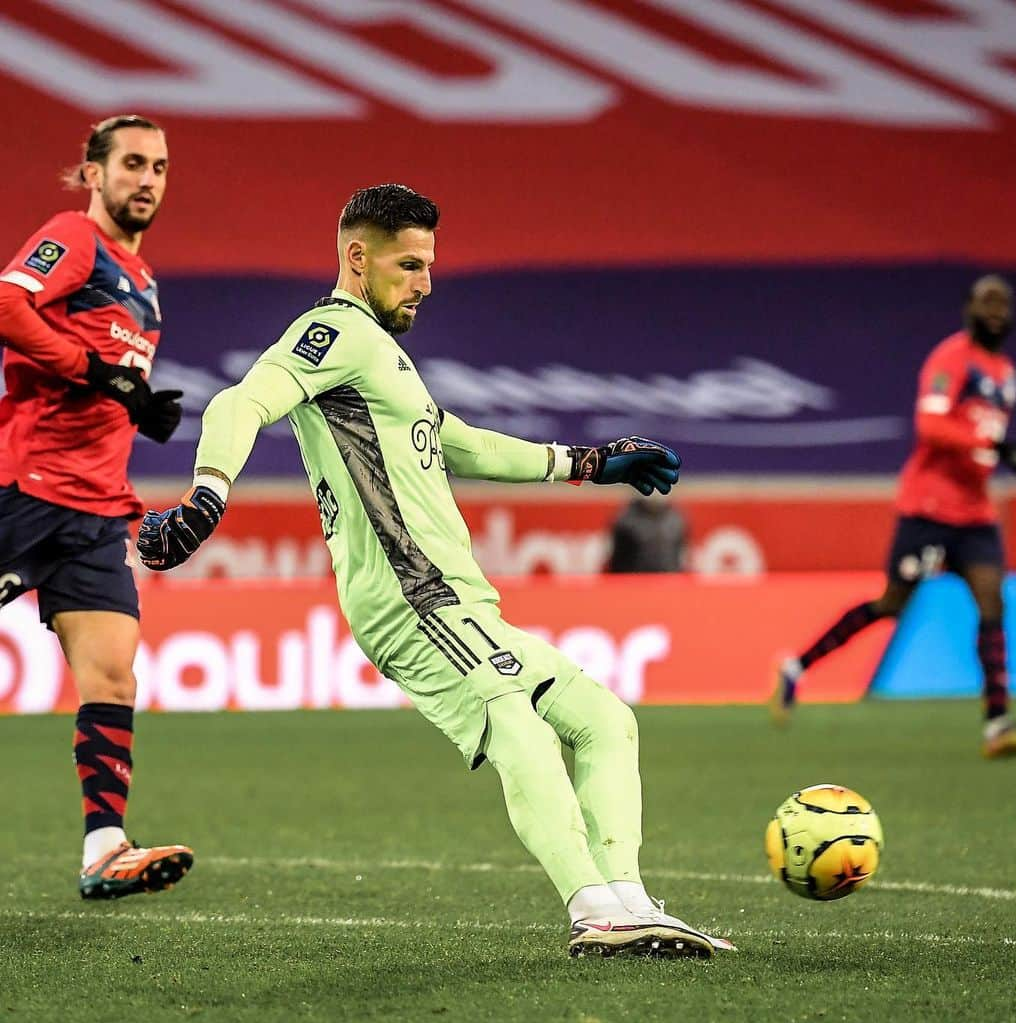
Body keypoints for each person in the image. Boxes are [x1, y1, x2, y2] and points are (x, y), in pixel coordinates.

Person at [138, 183, 734, 959]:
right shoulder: (331, 332)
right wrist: (206, 498)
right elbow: (241, 402)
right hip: (407, 594)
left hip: (462, 601)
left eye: (428, 264)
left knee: (604, 720)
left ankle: (627, 899)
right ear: (357, 257)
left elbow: (466, 445)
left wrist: (591, 461)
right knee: (516, 722)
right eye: (409, 264)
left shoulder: (384, 358)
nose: (426, 281)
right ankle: (592, 907)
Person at [0, 116, 193, 898]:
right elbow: (9, 306)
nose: (147, 179)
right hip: (26, 492)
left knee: (112, 676)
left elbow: (110, 378)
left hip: (95, 514)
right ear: (93, 173)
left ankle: (105, 846)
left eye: (160, 167)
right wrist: (94, 370)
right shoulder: (74, 239)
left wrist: (136, 404)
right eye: (132, 164)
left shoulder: (144, 285)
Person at [769, 275, 1016, 760]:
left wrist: (1009, 458)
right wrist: (996, 446)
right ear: (969, 308)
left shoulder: (1007, 372)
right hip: (930, 510)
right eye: (987, 302)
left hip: (976, 513)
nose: (996, 311)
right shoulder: (951, 358)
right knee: (890, 605)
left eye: (1003, 304)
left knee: (992, 602)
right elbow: (931, 424)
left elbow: (983, 434)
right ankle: (797, 667)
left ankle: (997, 723)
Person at [608, 494, 687, 573]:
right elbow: (616, 559)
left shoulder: (676, 519)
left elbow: (681, 555)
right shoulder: (624, 520)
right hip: (635, 579)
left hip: (668, 579)